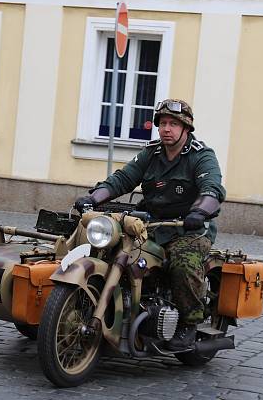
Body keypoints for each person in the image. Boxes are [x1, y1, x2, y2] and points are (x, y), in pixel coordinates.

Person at [73, 99, 226, 351]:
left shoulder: (201, 155)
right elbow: (123, 179)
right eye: (163, 123)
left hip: (190, 228)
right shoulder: (151, 153)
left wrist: (199, 212)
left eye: (173, 124)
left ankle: (190, 323)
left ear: (186, 128)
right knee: (112, 249)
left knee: (182, 262)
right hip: (152, 224)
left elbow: (213, 189)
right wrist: (93, 198)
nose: (166, 128)